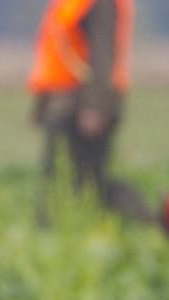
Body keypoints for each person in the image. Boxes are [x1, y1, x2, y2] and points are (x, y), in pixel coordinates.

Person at [26, 0, 138, 217]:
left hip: (82, 108)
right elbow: (58, 52)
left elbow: (103, 54)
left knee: (88, 184)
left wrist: (95, 107)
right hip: (64, 104)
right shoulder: (71, 3)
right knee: (66, 181)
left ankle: (142, 224)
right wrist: (43, 104)